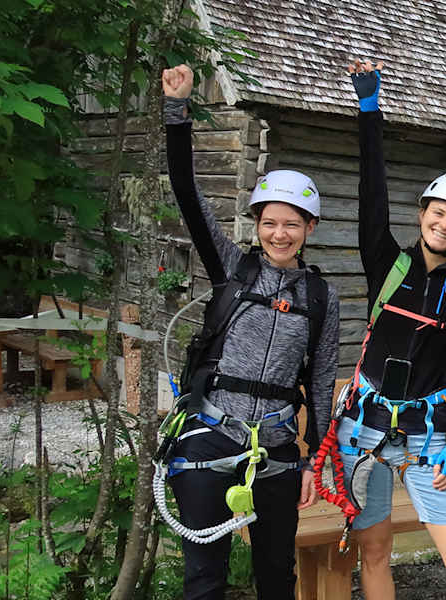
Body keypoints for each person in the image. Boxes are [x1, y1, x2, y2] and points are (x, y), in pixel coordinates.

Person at [159, 64, 340, 600]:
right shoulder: (232, 269)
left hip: (280, 446)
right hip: (212, 432)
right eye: (268, 222)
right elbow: (188, 194)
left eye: (291, 223)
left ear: (309, 228)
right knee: (203, 577)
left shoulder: (320, 296)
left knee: (276, 575)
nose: (279, 233)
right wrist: (178, 111)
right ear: (256, 225)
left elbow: (325, 379)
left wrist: (314, 457)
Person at [323, 60, 446, 600]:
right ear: (422, 214)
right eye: (437, 213)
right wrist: (368, 110)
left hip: (429, 439)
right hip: (364, 431)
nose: (444, 224)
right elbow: (370, 197)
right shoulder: (387, 265)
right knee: (373, 554)